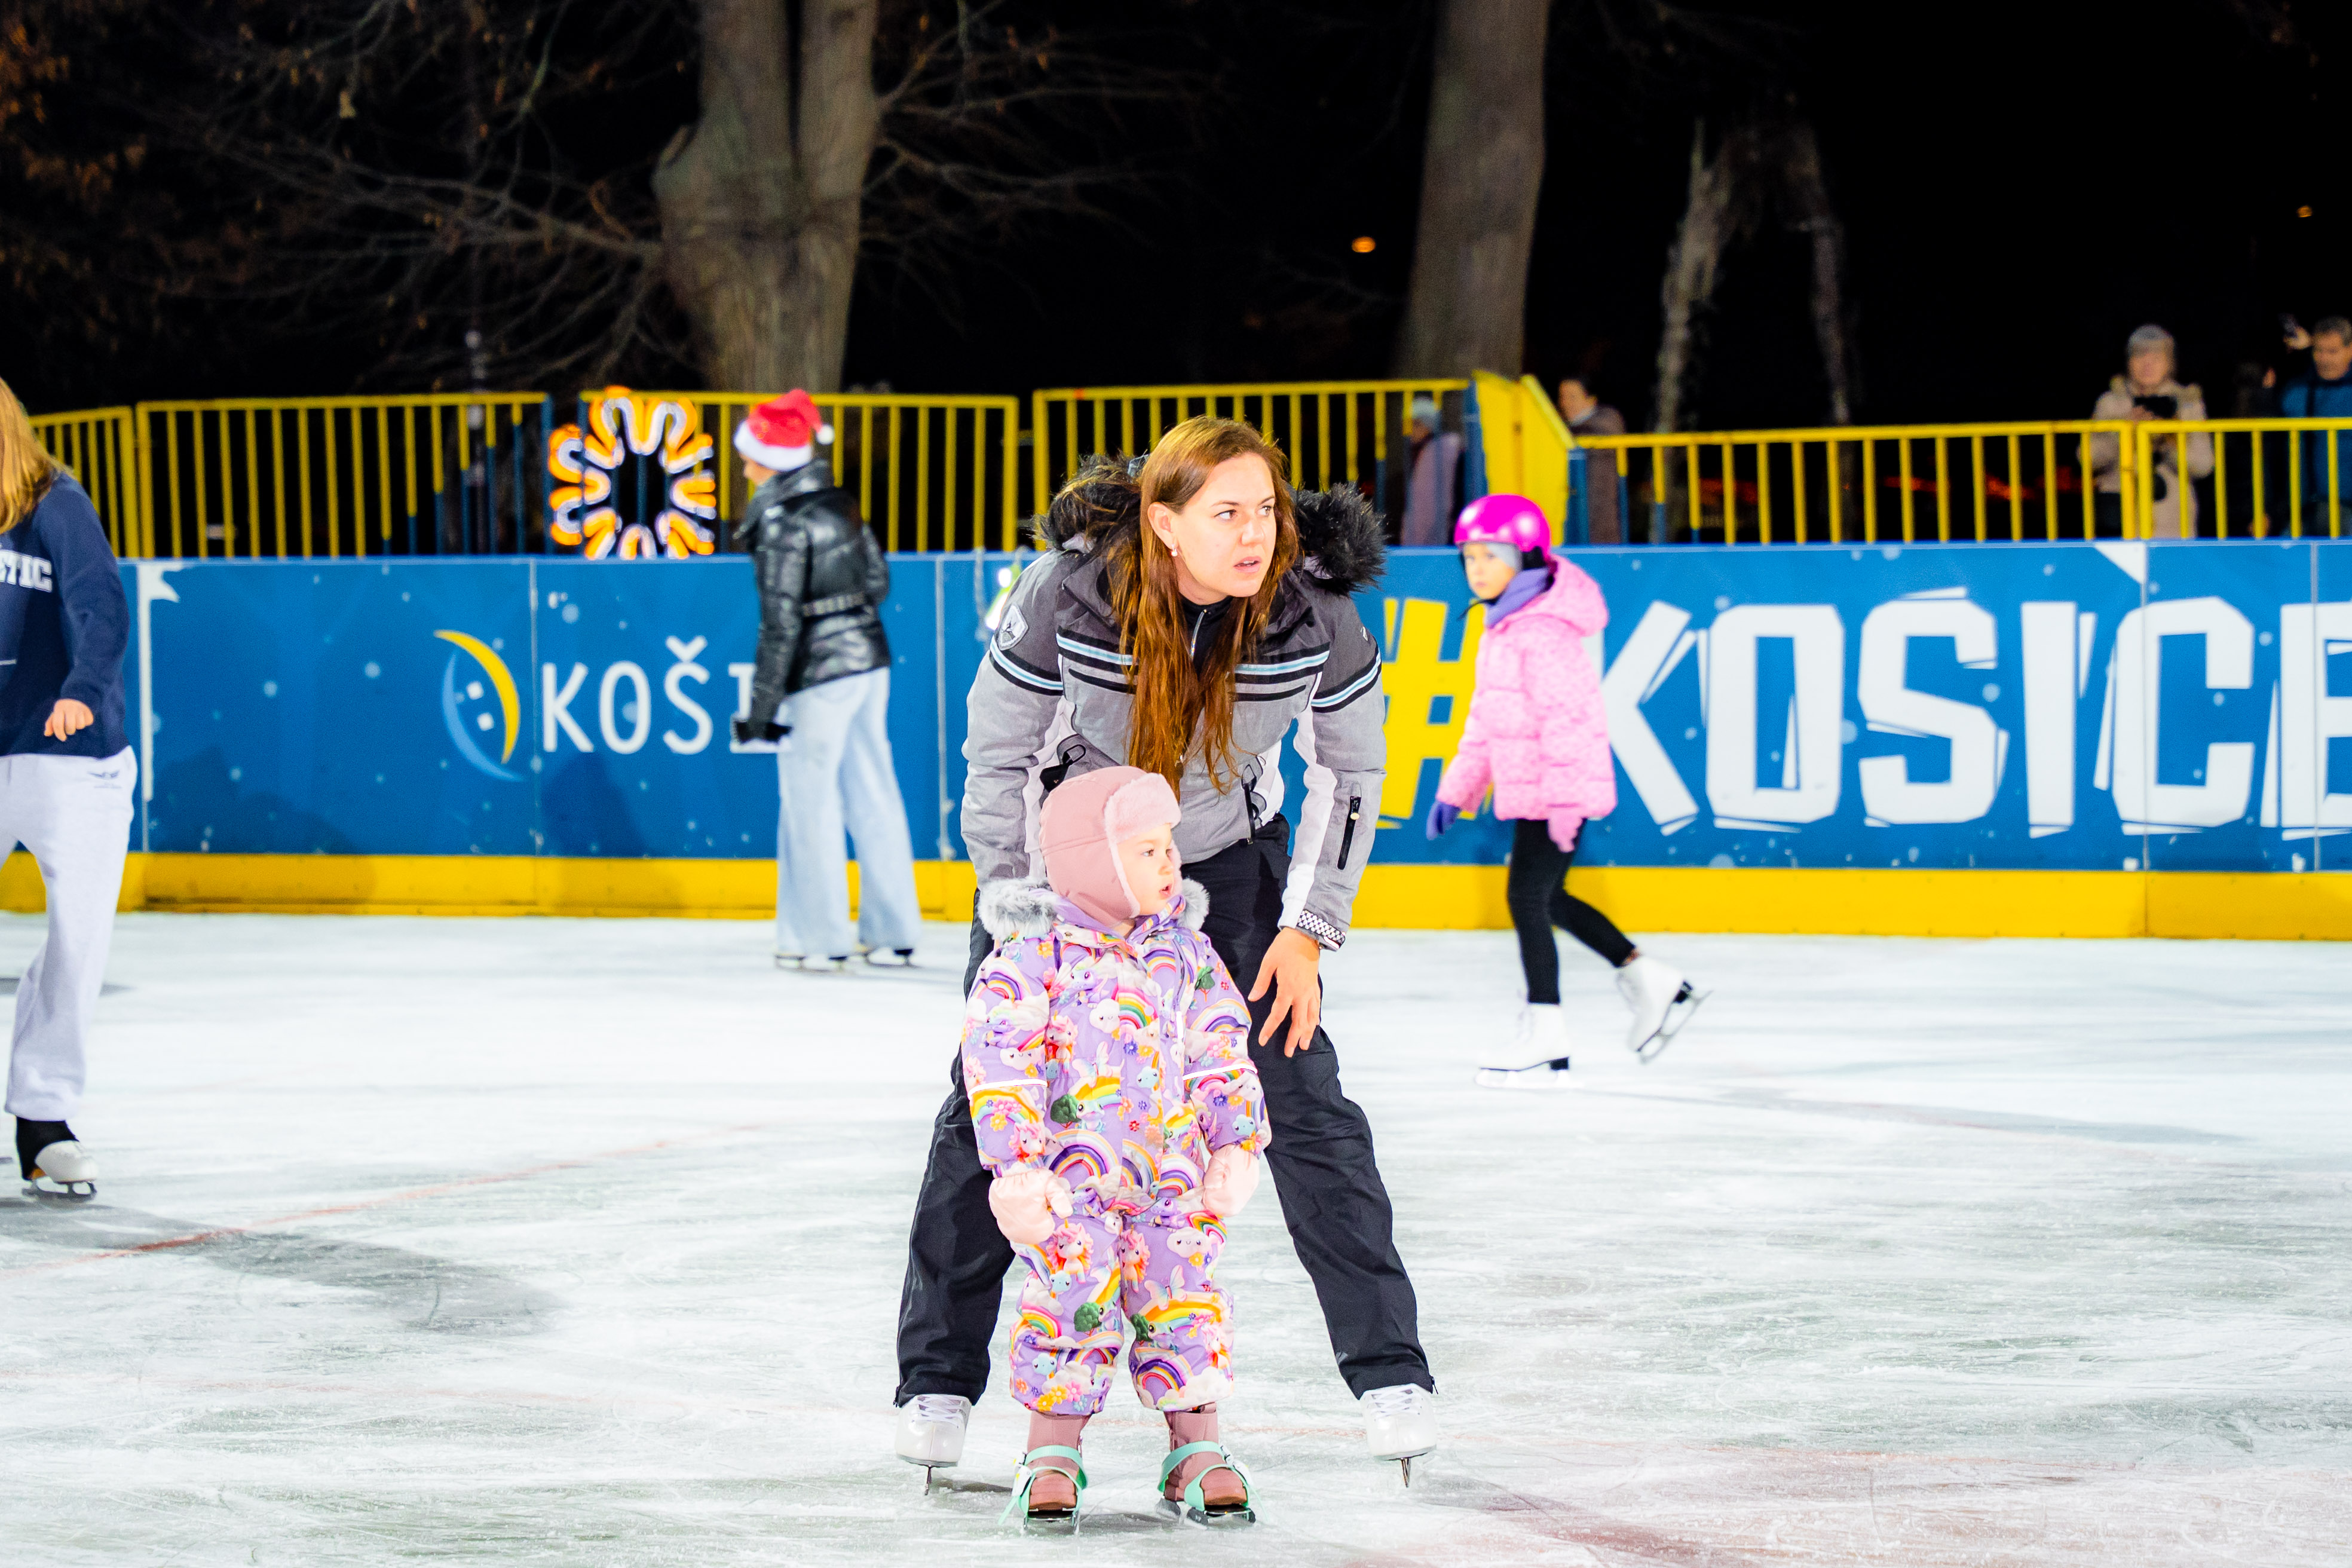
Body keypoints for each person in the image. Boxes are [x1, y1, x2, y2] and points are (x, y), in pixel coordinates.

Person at [895, 415, 1440, 1486]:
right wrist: (1016, 907)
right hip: (1061, 875)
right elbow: (996, 753)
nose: (1254, 535)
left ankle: (1390, 1371)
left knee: (1304, 1099)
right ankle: (937, 1377)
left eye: (1267, 510)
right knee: (993, 1103)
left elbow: (1352, 775)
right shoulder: (1070, 592)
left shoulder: (1315, 614)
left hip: (1227, 867)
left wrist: (1305, 927)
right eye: (1227, 512)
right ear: (1163, 522)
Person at [963, 764, 1269, 1527]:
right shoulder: (1034, 957)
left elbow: (1221, 1046)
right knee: (1070, 1303)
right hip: (1074, 1188)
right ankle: (1052, 1448)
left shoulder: (1185, 952)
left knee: (1184, 1299)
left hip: (1172, 1180)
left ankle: (1196, 1446)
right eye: (1148, 850)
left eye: (1170, 848)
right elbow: (1001, 1060)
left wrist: (1234, 1140)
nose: (1171, 864)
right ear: (1094, 858)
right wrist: (1018, 1167)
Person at [1425, 493, 1703, 1076]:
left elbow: (1569, 724)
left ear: (1525, 557)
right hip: (1534, 795)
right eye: (1468, 557)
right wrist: (1458, 788)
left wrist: (1567, 804)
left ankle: (1547, 1028)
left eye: (1489, 555)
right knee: (1547, 897)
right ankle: (1652, 978)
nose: (1476, 568)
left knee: (1527, 897)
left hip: (1556, 797)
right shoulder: (1503, 628)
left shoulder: (1543, 633)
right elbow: (1483, 722)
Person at [0, 377, 135, 1200]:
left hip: (70, 752)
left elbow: (102, 603)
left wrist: (83, 687)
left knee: (78, 939)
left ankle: (42, 1119)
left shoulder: (56, 502)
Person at [730, 391, 920, 971]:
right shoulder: (841, 504)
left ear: (772, 460)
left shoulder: (781, 519)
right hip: (869, 661)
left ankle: (818, 936)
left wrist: (762, 710)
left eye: (750, 456)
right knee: (873, 790)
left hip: (819, 673)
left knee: (809, 800)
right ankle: (892, 931)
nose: (744, 467)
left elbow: (780, 622)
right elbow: (878, 580)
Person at [2088, 324, 2212, 539]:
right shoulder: (2111, 403)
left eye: (2157, 358)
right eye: (2140, 357)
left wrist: (2168, 439)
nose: (2148, 364)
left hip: (2173, 525)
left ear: (2169, 364)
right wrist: (2124, 432)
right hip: (2120, 524)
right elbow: (2087, 458)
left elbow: (2204, 465)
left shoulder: (2187, 405)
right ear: (2129, 362)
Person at [2277, 315, 2352, 530]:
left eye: (2333, 351)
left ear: (2350, 350)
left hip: (2347, 508)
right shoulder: (2296, 390)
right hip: (2302, 510)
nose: (2324, 359)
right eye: (2318, 351)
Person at [1557, 376, 1626, 544]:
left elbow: (1603, 432)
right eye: (1563, 397)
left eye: (1573, 397)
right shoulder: (1565, 427)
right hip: (1578, 513)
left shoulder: (1604, 423)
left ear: (1591, 400)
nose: (1565, 403)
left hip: (1599, 517)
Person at [1398, 393, 1464, 546]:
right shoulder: (1442, 447)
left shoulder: (1437, 452)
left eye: (1414, 424)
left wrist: (1411, 547)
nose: (1407, 432)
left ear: (1427, 425)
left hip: (1434, 545)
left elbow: (1425, 508)